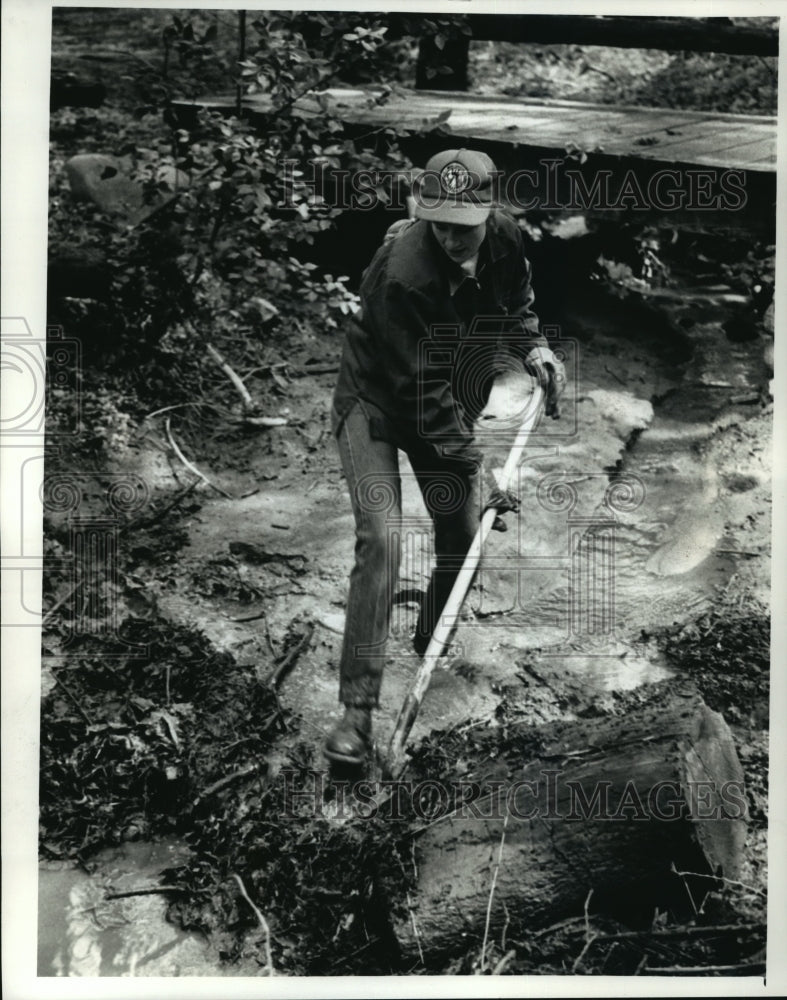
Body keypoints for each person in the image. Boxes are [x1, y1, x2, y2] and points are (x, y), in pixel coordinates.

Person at [325, 148, 564, 767]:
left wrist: (533, 345)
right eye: (440, 223)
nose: (453, 237)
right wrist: (479, 469)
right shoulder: (403, 273)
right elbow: (419, 399)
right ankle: (356, 712)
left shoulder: (506, 239)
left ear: (489, 211)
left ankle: (430, 636)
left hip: (450, 396)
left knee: (461, 542)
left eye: (465, 223)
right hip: (376, 403)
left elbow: (516, 302)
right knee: (382, 539)